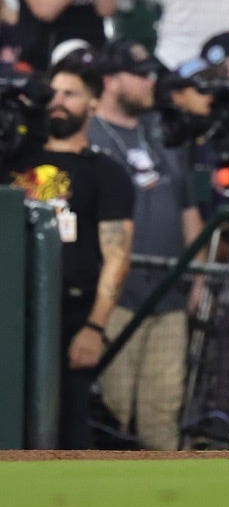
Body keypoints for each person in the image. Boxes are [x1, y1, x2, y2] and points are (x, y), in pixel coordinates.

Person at [4, 51, 135, 448]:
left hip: (68, 314)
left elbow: (117, 255)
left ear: (94, 103)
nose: (58, 100)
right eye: (53, 92)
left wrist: (94, 328)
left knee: (66, 428)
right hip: (8, 308)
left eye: (71, 93)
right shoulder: (12, 156)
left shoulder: (105, 171)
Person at [88, 38, 205, 450]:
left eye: (151, 75)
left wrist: (200, 276)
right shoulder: (87, 134)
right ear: (109, 79)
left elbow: (189, 209)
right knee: (114, 411)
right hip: (114, 298)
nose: (148, 83)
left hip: (169, 296)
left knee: (162, 414)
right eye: (139, 75)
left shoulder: (162, 133)